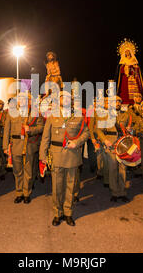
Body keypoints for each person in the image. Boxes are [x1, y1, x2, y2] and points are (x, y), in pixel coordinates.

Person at [39, 91, 89, 226]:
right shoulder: (52, 116)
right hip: (56, 155)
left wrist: (76, 143)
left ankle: (68, 213)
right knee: (57, 187)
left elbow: (86, 133)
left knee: (70, 186)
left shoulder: (78, 116)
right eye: (62, 97)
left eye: (68, 98)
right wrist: (42, 156)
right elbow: (45, 137)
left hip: (72, 156)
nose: (65, 99)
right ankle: (57, 213)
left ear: (71, 101)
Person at [3, 92, 44, 204]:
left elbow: (41, 127)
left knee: (28, 171)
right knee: (17, 170)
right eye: (21, 98)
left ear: (29, 100)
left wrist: (31, 129)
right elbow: (6, 130)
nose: (23, 100)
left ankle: (26, 193)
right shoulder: (12, 113)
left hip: (29, 144)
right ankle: (19, 192)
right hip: (15, 144)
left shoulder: (35, 113)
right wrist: (5, 146)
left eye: (26, 99)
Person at [96, 96, 135, 202]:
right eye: (115, 101)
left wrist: (130, 130)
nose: (117, 103)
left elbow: (131, 129)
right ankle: (114, 192)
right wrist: (105, 140)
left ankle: (122, 192)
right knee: (113, 169)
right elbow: (99, 130)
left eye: (119, 101)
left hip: (123, 144)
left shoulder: (126, 115)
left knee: (123, 169)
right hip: (111, 143)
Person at [116, 39, 143, 105]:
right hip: (125, 79)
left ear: (131, 52)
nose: (127, 53)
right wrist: (124, 67)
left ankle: (136, 102)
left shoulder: (134, 60)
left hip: (133, 78)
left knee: (135, 91)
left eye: (128, 51)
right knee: (124, 91)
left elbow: (138, 71)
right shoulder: (122, 61)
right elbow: (120, 72)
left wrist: (135, 68)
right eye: (126, 52)